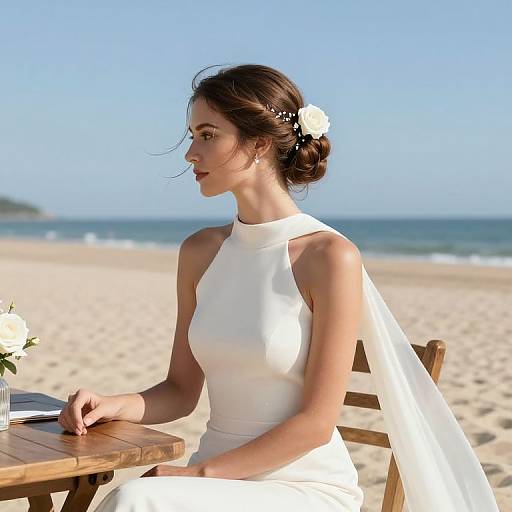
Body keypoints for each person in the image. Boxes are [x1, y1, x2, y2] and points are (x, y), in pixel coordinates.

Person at [59, 64, 500, 512]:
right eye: (192, 135)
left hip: (302, 487)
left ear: (259, 143)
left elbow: (316, 424)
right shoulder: (199, 252)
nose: (191, 153)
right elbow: (180, 389)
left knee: (137, 500)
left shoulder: (328, 256)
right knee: (138, 498)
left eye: (207, 135)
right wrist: (112, 404)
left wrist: (199, 474)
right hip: (215, 480)